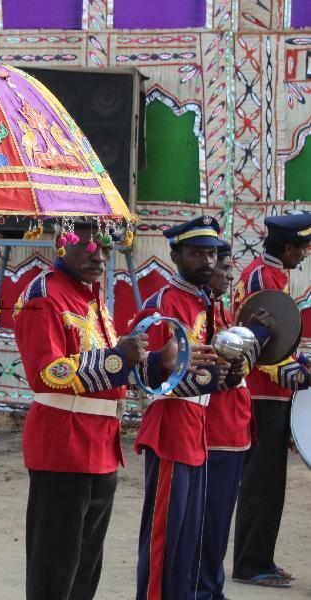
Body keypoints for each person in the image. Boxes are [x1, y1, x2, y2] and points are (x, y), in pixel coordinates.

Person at [12, 219, 179, 600]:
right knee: (55, 571)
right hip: (62, 448)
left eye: (105, 247)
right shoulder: (44, 295)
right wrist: (118, 359)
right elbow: (47, 373)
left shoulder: (92, 295)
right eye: (87, 245)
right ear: (61, 243)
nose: (99, 255)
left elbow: (111, 372)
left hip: (102, 449)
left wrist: (156, 362)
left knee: (86, 571)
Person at [132, 216, 240, 600]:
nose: (207, 261)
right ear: (175, 255)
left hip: (199, 425)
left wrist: (228, 373)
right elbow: (140, 372)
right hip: (172, 424)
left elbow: (209, 367)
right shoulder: (161, 303)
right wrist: (169, 361)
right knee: (166, 534)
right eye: (196, 254)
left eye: (212, 253)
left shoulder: (205, 302)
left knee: (189, 536)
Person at [231, 213, 311, 589]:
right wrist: (296, 372)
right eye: (304, 247)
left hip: (270, 394)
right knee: (262, 481)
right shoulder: (264, 279)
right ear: (288, 247)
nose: (306, 253)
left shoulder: (269, 274)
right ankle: (251, 563)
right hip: (263, 395)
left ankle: (260, 557)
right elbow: (259, 348)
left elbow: (280, 342)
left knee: (268, 481)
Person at [192, 241, 269, 599]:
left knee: (219, 523)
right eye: (224, 269)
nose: (226, 276)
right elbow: (214, 372)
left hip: (233, 432)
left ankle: (212, 588)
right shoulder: (203, 316)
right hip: (215, 433)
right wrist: (262, 335)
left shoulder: (220, 314)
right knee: (209, 522)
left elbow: (234, 371)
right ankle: (206, 590)